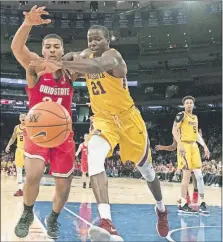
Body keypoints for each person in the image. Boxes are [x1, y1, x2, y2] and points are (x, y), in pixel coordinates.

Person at [33, 24, 169, 241]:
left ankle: (161, 209)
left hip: (129, 120)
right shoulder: (85, 54)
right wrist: (59, 62)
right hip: (104, 120)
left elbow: (95, 66)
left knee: (148, 172)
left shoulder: (113, 56)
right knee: (94, 156)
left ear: (108, 40)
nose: (93, 42)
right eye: (89, 39)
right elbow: (73, 58)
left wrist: (60, 62)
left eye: (97, 39)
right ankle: (107, 222)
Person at [11, 6, 79, 239]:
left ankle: (53, 218)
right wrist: (28, 23)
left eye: (56, 47)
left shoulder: (71, 70)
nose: (52, 50)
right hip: (38, 130)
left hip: (63, 134)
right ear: (42, 50)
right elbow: (17, 48)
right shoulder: (36, 66)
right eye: (48, 47)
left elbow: (88, 62)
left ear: (62, 50)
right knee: (33, 175)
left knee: (63, 186)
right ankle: (27, 213)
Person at [172, 96, 210, 214]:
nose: (189, 104)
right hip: (184, 146)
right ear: (184, 105)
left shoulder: (195, 117)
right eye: (187, 103)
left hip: (194, 147)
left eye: (191, 103)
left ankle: (202, 202)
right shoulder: (181, 115)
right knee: (186, 176)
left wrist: (204, 146)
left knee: (199, 176)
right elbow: (174, 130)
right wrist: (180, 144)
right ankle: (183, 204)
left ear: (193, 105)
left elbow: (196, 135)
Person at [155, 139, 199, 204]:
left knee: (194, 174)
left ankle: (195, 196)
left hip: (192, 152)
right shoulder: (176, 131)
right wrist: (163, 147)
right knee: (183, 175)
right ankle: (186, 198)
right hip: (182, 154)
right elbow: (173, 147)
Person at [5, 113, 26, 196]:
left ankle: (28, 189)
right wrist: (8, 145)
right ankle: (20, 189)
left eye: (24, 116)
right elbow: (13, 138)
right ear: (19, 119)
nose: (23, 118)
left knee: (29, 171)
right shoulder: (17, 127)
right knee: (19, 170)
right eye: (21, 117)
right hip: (19, 150)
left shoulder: (30, 127)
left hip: (28, 151)